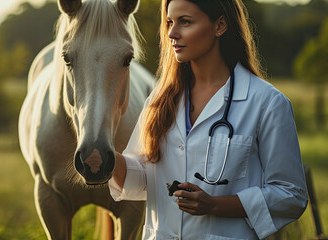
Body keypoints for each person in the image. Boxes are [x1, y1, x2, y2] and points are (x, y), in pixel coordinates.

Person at [108, 0, 308, 239]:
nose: (171, 33)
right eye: (170, 22)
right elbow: (144, 179)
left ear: (220, 25)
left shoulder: (267, 103)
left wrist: (214, 205)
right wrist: (106, 157)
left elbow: (291, 195)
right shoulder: (159, 100)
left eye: (185, 22)